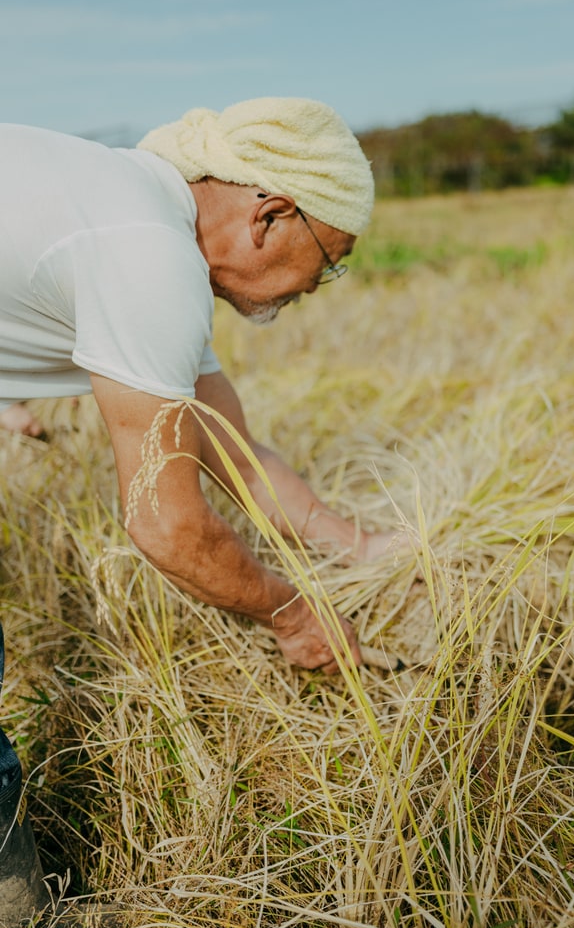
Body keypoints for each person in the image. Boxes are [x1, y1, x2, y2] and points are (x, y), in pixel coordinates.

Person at [0, 97, 399, 675]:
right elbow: (166, 524)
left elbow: (237, 456)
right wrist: (293, 615)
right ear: (271, 215)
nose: (316, 286)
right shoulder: (150, 257)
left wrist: (356, 545)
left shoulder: (143, 216)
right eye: (328, 260)